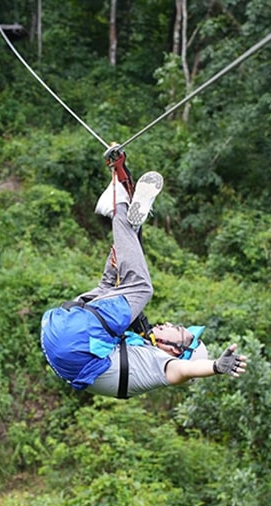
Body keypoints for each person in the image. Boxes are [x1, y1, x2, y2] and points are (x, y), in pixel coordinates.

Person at [40, 151, 247, 399]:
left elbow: (186, 370)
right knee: (112, 286)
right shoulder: (141, 349)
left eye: (177, 329)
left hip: (76, 341)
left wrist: (215, 367)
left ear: (176, 350)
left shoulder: (162, 365)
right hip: (61, 330)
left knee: (141, 288)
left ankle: (117, 208)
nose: (170, 324)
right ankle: (126, 213)